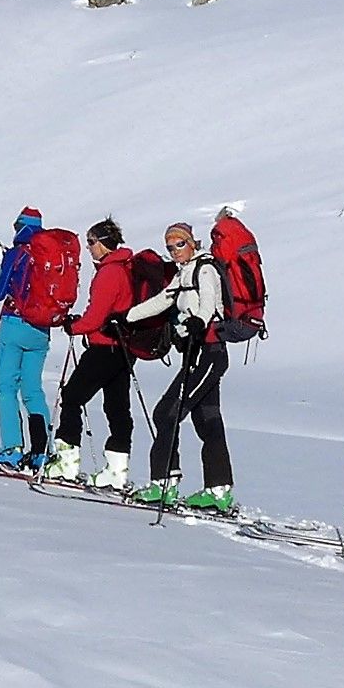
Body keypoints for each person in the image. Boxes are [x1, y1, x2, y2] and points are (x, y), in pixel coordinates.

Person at [125, 219, 236, 512]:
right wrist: (127, 317)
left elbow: (210, 302)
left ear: (191, 242)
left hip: (208, 353)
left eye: (180, 244)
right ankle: (218, 490)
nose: (175, 250)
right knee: (208, 419)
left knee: (166, 413)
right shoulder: (184, 273)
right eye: (170, 246)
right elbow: (163, 300)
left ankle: (164, 484)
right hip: (197, 353)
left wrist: (199, 321)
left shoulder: (205, 268)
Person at [48, 218, 136, 486]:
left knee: (72, 397)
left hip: (104, 348)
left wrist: (74, 326)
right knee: (117, 407)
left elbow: (97, 316)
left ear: (104, 243)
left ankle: (67, 462)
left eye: (92, 242)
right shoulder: (124, 267)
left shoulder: (110, 272)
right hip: (123, 348)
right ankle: (117, 469)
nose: (89, 248)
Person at [0, 208, 57, 468]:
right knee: (33, 391)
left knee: (6, 388)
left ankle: (12, 448)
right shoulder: (49, 256)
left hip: (14, 324)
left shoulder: (17, 254)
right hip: (41, 330)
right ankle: (42, 451)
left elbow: (1, 291)